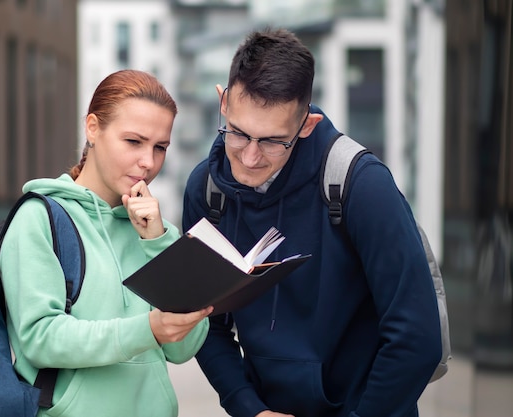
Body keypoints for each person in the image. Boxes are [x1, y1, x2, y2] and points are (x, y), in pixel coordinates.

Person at [182, 28, 442, 417]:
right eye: (238, 134)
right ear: (223, 103)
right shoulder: (207, 190)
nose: (250, 158)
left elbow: (416, 338)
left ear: (307, 125)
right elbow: (207, 324)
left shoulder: (361, 185)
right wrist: (248, 407)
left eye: (272, 141)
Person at [0, 69, 212, 417]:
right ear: (93, 128)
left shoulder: (157, 231)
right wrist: (148, 329)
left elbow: (184, 347)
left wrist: (158, 242)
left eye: (160, 147)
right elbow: (39, 338)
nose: (148, 162)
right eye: (134, 141)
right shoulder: (39, 219)